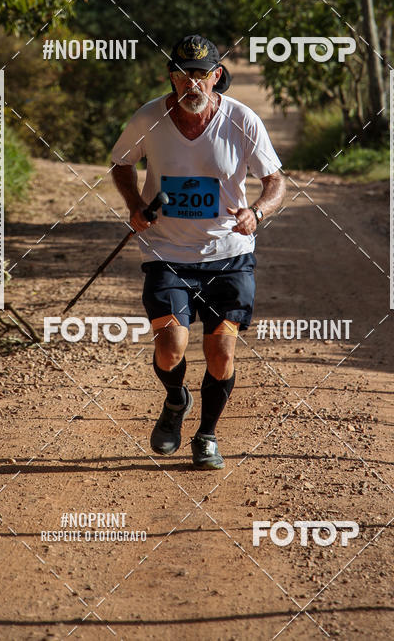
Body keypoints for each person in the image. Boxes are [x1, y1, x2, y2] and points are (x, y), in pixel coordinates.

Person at [111, 34, 285, 469]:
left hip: (229, 254)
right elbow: (121, 163)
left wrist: (257, 213)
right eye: (183, 74)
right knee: (170, 347)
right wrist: (134, 205)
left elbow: (275, 182)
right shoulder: (149, 117)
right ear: (171, 77)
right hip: (167, 251)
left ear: (216, 76)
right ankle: (176, 399)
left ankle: (207, 435)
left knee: (221, 353)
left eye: (201, 75)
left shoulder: (242, 120)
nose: (193, 83)